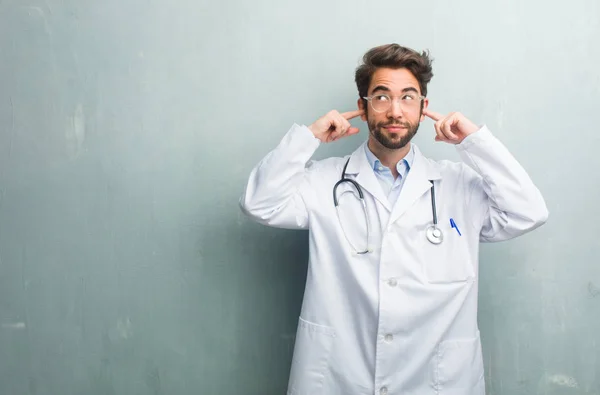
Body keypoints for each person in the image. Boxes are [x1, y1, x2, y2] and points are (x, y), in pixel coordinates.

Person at [239, 43, 548, 395]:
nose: (395, 111)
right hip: (341, 377)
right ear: (363, 106)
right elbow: (258, 203)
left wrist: (475, 143)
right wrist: (308, 138)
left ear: (424, 107)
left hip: (435, 380)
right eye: (382, 97)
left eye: (408, 97)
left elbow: (529, 211)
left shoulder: (459, 184)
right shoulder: (324, 181)